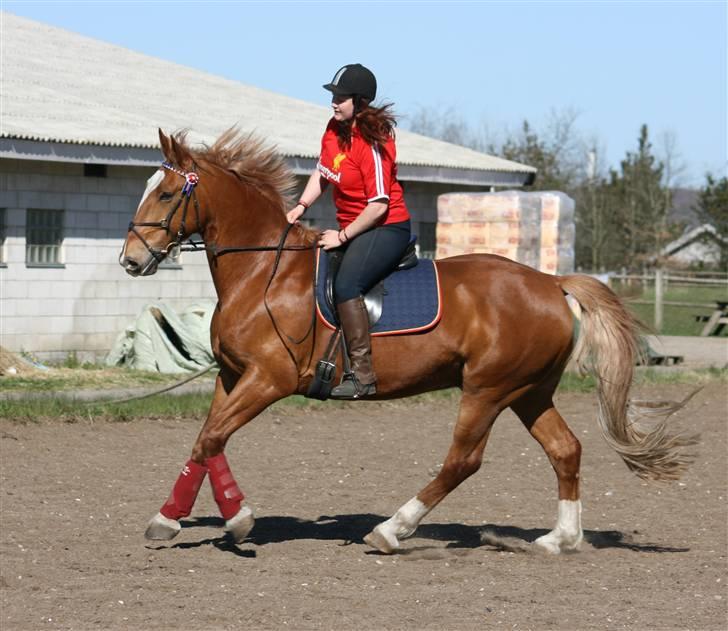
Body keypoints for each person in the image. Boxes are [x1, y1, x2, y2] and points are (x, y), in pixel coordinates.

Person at [287, 63, 411, 399]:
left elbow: (379, 206)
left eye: (340, 97)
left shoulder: (373, 142)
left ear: (360, 101)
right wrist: (299, 208)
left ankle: (363, 376)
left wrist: (342, 237)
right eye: (333, 96)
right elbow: (323, 173)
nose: (334, 102)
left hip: (386, 226)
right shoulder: (333, 128)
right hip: (357, 225)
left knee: (346, 284)